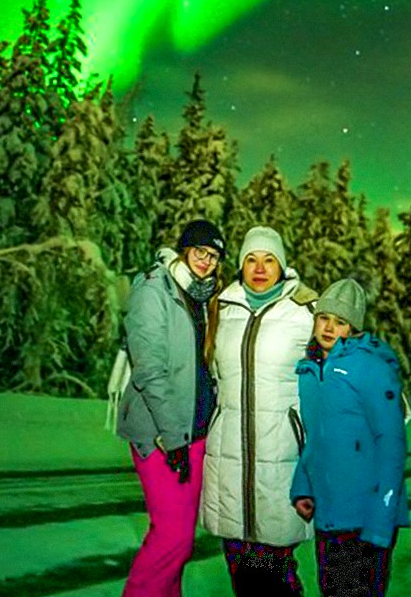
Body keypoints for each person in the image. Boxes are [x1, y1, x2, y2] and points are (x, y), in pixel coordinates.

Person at [200, 225, 319, 596]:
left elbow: (338, 365)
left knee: (273, 574)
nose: (260, 267)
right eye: (251, 259)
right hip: (229, 458)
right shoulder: (221, 307)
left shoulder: (305, 310)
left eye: (269, 259)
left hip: (281, 456)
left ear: (282, 265)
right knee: (240, 572)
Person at [116, 219, 227, 597]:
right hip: (162, 433)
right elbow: (149, 368)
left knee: (180, 543)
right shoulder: (154, 288)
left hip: (194, 434)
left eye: (213, 256)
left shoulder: (201, 296)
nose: (206, 261)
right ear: (184, 249)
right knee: (172, 538)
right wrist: (171, 435)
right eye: (200, 251)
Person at [290, 278, 410, 597]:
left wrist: (381, 520)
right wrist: (304, 486)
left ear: (353, 328)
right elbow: (314, 437)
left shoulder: (370, 368)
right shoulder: (311, 371)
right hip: (330, 516)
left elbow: (391, 444)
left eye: (340, 322)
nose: (329, 328)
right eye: (324, 318)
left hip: (366, 518)